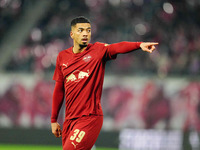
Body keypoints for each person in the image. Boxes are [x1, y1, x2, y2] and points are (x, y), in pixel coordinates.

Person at [51, 16, 158, 150]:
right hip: (70, 120)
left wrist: (138, 45)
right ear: (72, 34)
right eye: (81, 30)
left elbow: (117, 47)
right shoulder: (62, 57)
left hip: (89, 118)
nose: (85, 34)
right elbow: (59, 89)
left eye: (88, 30)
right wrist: (54, 120)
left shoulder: (97, 50)